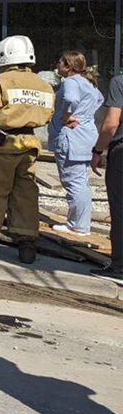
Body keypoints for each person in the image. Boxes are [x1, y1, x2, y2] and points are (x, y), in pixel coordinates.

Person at [0, 35, 55, 264]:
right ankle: (27, 244)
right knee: (25, 194)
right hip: (29, 146)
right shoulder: (43, 85)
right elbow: (48, 114)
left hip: (0, 145)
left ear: (5, 56)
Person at [49, 52, 103, 237]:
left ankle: (77, 226)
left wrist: (67, 115)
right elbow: (100, 100)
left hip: (72, 137)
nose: (57, 64)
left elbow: (71, 99)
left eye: (60, 61)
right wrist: (85, 116)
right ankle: (82, 224)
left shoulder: (71, 82)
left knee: (73, 182)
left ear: (68, 66)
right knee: (82, 182)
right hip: (87, 135)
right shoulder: (88, 82)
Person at [90, 73, 123, 280]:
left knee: (120, 211)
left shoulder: (119, 82)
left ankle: (119, 267)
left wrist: (97, 151)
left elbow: (111, 124)